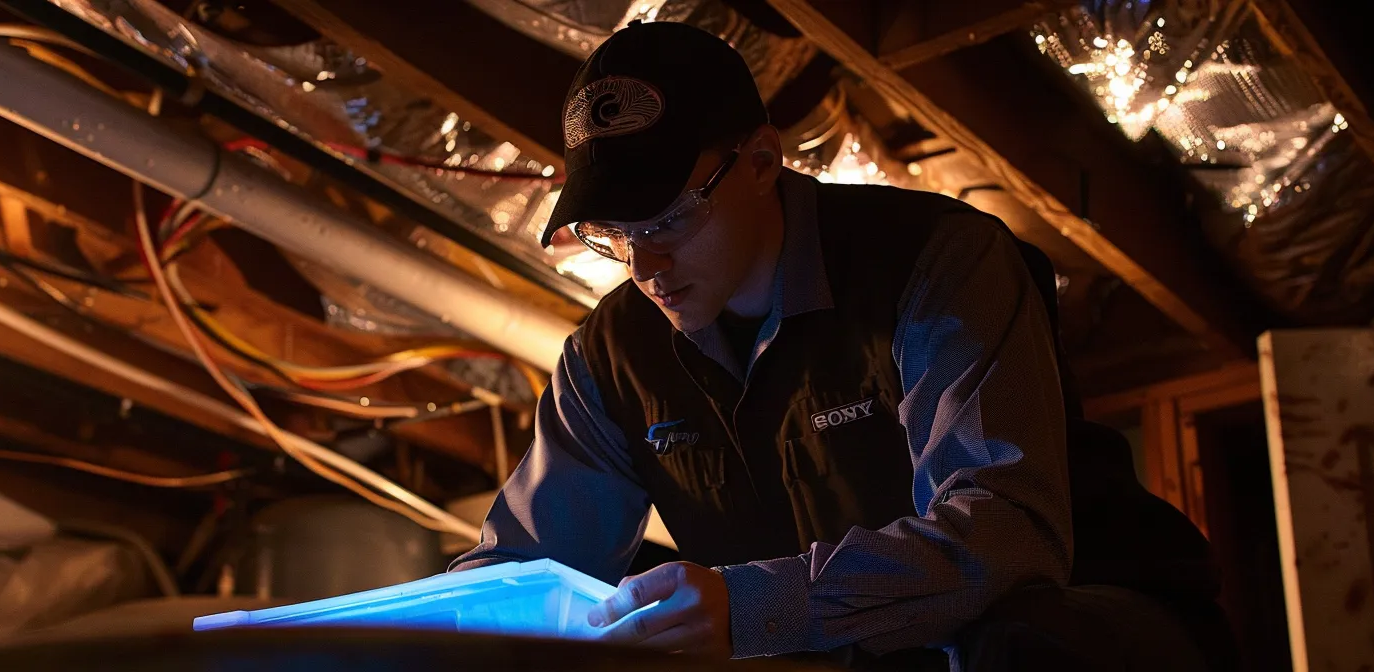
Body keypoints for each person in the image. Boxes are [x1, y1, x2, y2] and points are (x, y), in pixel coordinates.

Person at [451, 21, 1228, 671]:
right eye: (613, 234)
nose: (643, 265)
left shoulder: (937, 263)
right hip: (849, 650)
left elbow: (1003, 537)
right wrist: (419, 634)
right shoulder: (609, 355)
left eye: (666, 220)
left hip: (1081, 623)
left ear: (761, 161)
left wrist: (750, 607)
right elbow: (523, 576)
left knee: (1016, 642)